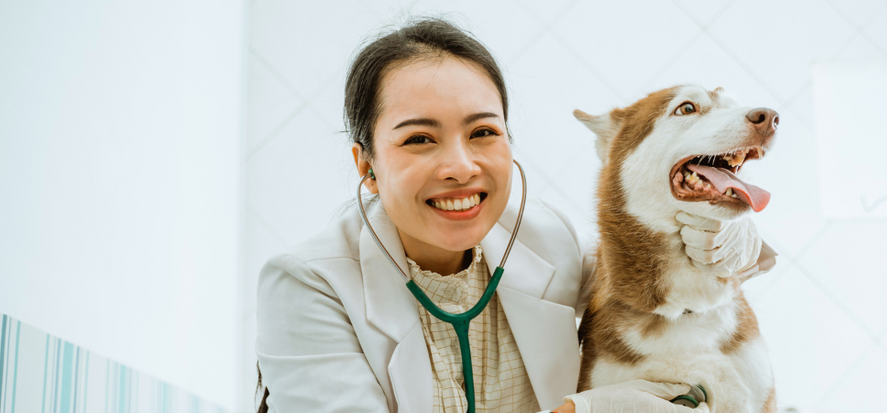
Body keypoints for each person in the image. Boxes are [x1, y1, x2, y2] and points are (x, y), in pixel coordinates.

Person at [254, 17, 774, 413]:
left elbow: (652, 282)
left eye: (482, 132)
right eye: (419, 139)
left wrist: (729, 240)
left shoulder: (546, 240)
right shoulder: (307, 283)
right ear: (367, 165)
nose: (461, 166)